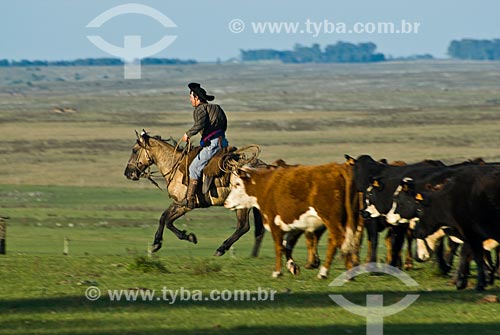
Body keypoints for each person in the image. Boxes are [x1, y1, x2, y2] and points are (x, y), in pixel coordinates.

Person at [181, 82, 228, 208]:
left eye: (191, 97)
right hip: (223, 142)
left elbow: (199, 125)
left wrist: (188, 134)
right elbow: (224, 124)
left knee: (193, 168)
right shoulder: (217, 108)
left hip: (212, 144)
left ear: (196, 98)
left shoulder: (199, 109)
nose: (190, 100)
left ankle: (190, 199)